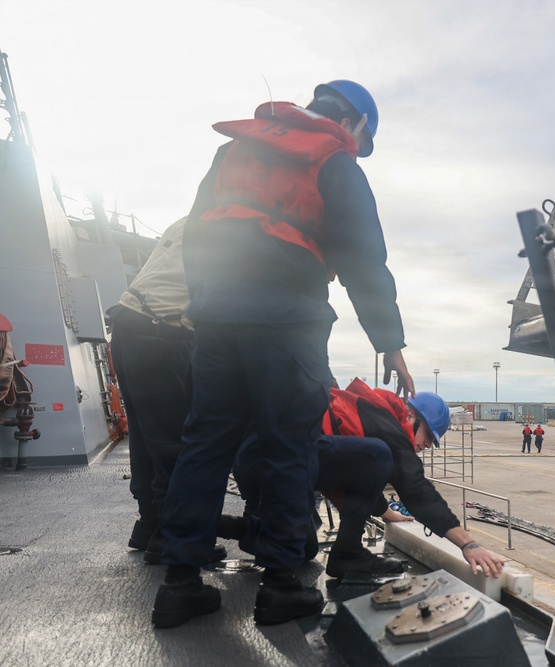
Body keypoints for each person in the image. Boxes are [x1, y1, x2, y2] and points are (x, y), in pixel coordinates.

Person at [152, 80, 416, 629]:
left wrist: (203, 301)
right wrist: (389, 341)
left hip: (217, 319)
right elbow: (364, 257)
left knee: (204, 442)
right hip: (288, 320)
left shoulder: (233, 151)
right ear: (356, 125)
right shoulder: (336, 163)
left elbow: (197, 234)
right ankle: (280, 586)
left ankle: (179, 583)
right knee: (289, 446)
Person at [105, 218, 225, 564]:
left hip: (129, 328)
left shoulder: (192, 218)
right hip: (159, 331)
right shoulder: (238, 225)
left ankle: (149, 525)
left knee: (146, 436)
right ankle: (171, 537)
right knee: (176, 440)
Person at [316, 378, 504, 578]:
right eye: (429, 435)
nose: (428, 445)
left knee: (305, 550)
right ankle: (347, 554)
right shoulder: (390, 426)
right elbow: (415, 489)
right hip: (297, 461)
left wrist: (384, 511)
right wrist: (468, 543)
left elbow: (358, 478)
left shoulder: (375, 416)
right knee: (378, 454)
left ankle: (344, 553)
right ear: (412, 416)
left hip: (297, 462)